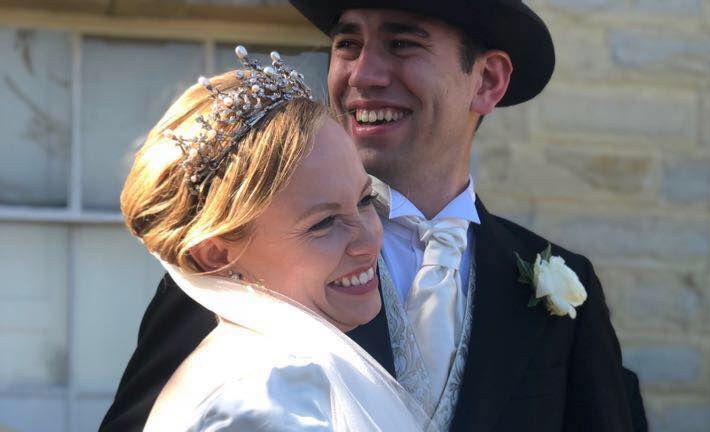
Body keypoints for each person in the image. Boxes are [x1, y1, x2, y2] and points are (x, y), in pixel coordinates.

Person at [101, 1, 647, 431]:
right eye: (347, 44)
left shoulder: (564, 288)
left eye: (402, 44)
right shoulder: (242, 262)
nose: (363, 73)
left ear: (487, 82)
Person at [119, 49, 432, 430]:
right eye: (325, 222)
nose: (369, 240)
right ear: (216, 253)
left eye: (366, 200)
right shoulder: (269, 395)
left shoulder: (284, 368)